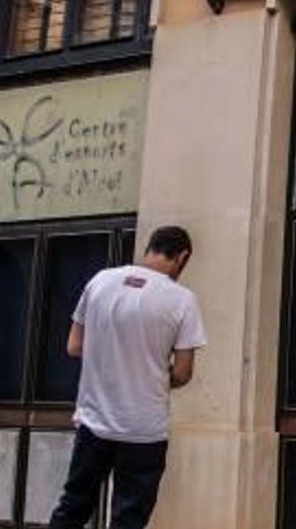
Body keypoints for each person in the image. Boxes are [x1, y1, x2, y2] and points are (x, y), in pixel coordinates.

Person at [48, 226, 207, 529]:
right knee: (129, 518)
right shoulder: (182, 300)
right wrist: (153, 376)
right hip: (144, 429)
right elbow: (183, 373)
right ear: (182, 257)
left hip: (94, 421)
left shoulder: (100, 281)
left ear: (149, 249)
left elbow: (74, 346)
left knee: (74, 504)